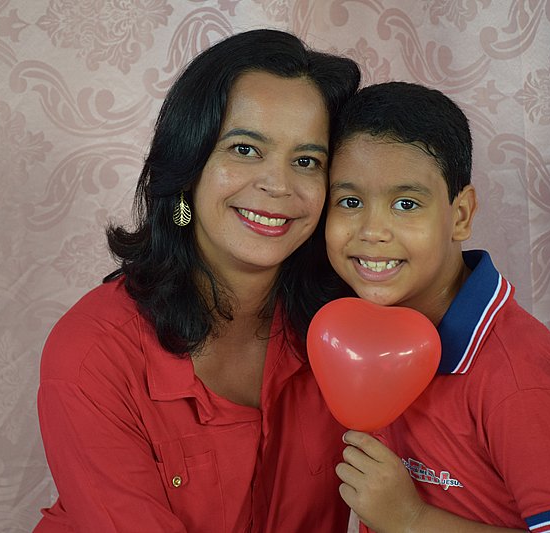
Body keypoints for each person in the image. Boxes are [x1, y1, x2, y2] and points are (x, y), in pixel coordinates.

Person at [33, 29, 360, 532]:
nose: (278, 185)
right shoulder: (93, 352)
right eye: (245, 149)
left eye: (306, 161)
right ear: (188, 165)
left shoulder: (349, 333)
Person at [323, 82, 550, 533]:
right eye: (350, 202)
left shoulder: (520, 380)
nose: (372, 230)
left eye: (406, 204)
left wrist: (412, 520)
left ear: (460, 215)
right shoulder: (357, 334)